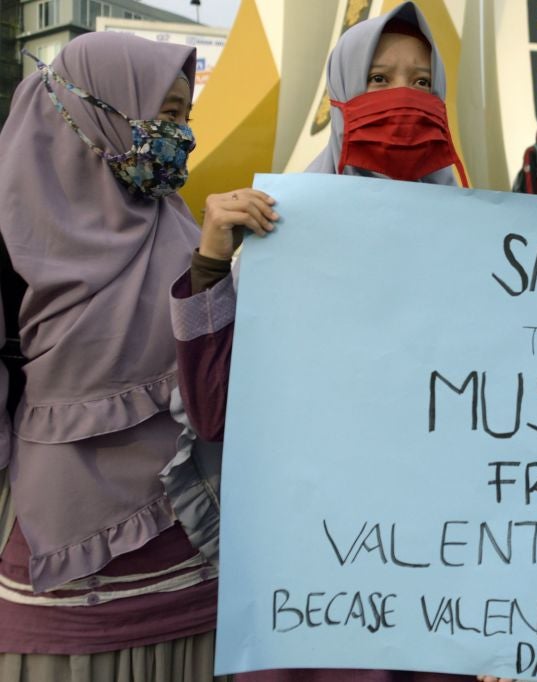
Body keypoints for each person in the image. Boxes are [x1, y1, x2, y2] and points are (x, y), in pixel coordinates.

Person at [171, 3, 487, 681]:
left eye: (422, 83)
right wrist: (210, 266)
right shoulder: (285, 230)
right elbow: (214, 411)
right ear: (341, 93)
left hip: (440, 594)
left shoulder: (487, 249)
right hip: (314, 590)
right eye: (378, 78)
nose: (403, 99)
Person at [0, 31, 260, 681]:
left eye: (183, 117)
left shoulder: (185, 229)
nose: (180, 135)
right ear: (93, 111)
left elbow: (217, 395)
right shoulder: (10, 243)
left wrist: (210, 268)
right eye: (165, 115)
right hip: (63, 588)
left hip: (191, 574)